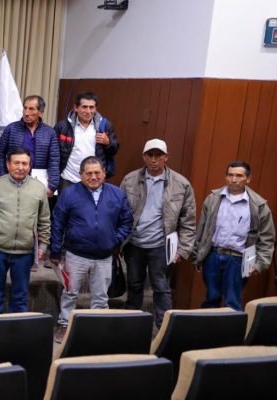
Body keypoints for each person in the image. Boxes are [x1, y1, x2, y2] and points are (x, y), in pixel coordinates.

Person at [50, 156, 132, 343]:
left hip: (104, 256)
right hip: (75, 254)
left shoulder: (117, 194)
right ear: (81, 175)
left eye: (97, 173)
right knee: (70, 293)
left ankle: (97, 328)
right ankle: (64, 324)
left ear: (104, 173)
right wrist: (55, 251)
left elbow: (127, 222)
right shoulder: (69, 193)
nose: (93, 177)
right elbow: (58, 223)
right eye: (89, 173)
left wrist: (114, 240)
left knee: (101, 297)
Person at [120, 139, 196, 327]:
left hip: (162, 246)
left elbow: (189, 221)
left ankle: (164, 328)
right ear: (144, 157)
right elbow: (118, 212)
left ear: (166, 157)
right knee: (134, 284)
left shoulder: (181, 184)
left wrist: (183, 250)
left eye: (158, 155)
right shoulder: (130, 180)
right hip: (134, 243)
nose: (154, 159)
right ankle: (132, 324)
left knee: (161, 288)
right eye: (150, 155)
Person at [0, 148, 50, 314]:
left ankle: (17, 334)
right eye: (16, 163)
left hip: (25, 252)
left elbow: (44, 220)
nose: (20, 167)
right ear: (8, 164)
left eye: (25, 163)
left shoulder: (39, 188)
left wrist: (43, 246)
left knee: (20, 296)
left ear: (30, 166)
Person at [194, 161, 275, 311]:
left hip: (238, 260)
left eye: (239, 175)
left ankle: (228, 334)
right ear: (226, 177)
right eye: (230, 175)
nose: (234, 179)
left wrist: (260, 264)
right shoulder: (213, 199)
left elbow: (267, 239)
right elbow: (202, 229)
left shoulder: (258, 205)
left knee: (232, 302)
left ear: (248, 179)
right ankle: (207, 333)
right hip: (212, 256)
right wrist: (198, 255)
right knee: (211, 299)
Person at [0, 95, 59, 197]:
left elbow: (54, 160)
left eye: (31, 109)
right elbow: (0, 155)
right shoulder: (11, 129)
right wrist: (3, 179)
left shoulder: (49, 132)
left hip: (39, 184)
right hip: (13, 181)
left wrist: (52, 186)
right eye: (25, 108)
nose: (26, 113)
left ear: (40, 112)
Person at [54, 92, 119, 192]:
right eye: (84, 107)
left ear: (95, 109)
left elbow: (114, 150)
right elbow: (54, 153)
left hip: (94, 179)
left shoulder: (105, 126)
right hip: (68, 179)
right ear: (76, 108)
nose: (88, 111)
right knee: (65, 207)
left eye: (91, 107)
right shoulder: (63, 126)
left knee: (92, 207)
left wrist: (108, 143)